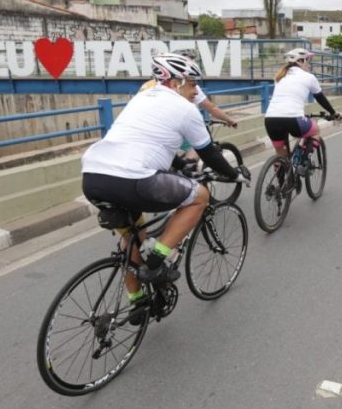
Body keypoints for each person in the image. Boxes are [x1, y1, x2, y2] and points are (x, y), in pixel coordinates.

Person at [81, 54, 248, 321]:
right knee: (200, 197)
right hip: (134, 178)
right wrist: (235, 174)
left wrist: (181, 165)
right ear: (175, 81)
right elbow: (210, 154)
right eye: (192, 84)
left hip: (93, 176)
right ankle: (157, 262)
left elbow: (153, 141)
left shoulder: (142, 99)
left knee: (133, 236)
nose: (195, 91)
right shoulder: (186, 110)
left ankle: (137, 302)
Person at [264, 48, 341, 160]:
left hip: (270, 119)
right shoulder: (309, 77)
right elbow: (320, 98)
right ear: (300, 61)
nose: (309, 65)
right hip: (293, 119)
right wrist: (333, 113)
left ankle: (282, 176)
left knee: (281, 154)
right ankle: (303, 160)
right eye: (307, 61)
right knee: (316, 130)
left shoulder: (279, 76)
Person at [139, 50, 239, 128]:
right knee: (199, 144)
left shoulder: (146, 86)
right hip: (171, 128)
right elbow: (211, 108)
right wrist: (229, 120)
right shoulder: (187, 85)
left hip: (143, 129)